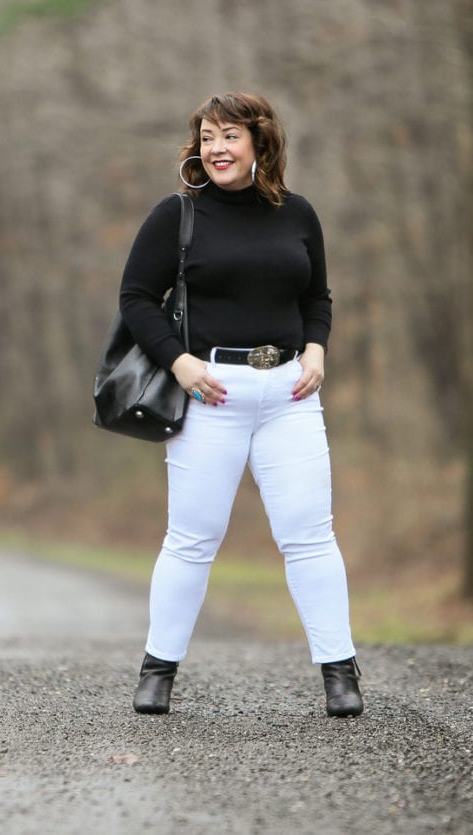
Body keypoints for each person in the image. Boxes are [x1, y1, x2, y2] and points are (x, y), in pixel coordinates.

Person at [119, 92, 363, 718]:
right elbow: (137, 298)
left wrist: (316, 350)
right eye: (207, 137)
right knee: (192, 539)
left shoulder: (298, 215)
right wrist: (181, 362)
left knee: (310, 536)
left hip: (289, 393)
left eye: (229, 136)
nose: (217, 148)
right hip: (210, 393)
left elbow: (319, 296)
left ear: (260, 142)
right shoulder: (178, 215)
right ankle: (157, 671)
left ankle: (340, 674)